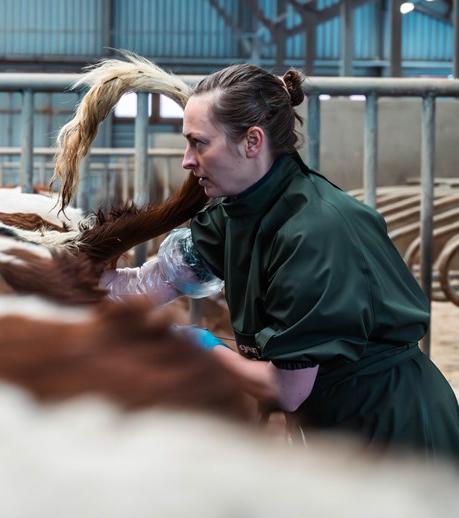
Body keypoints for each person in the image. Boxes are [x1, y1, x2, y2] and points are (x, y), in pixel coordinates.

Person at [101, 63, 459, 461]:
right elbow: (152, 283)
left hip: (391, 429)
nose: (187, 160)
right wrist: (83, 282)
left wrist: (199, 344)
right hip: (331, 420)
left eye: (198, 143)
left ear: (252, 141)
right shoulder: (238, 212)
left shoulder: (313, 232)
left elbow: (286, 391)